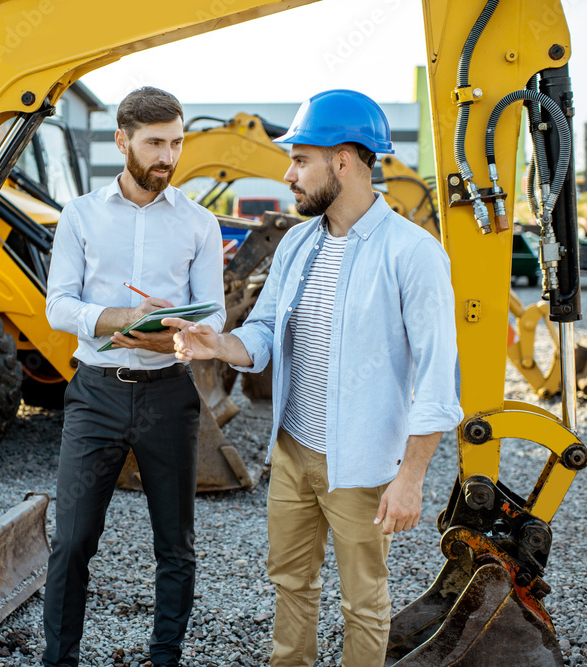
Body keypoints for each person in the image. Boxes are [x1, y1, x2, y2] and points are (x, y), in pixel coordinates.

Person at [162, 89, 463, 667]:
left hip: (361, 465)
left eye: (301, 160)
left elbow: (437, 381)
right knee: (291, 584)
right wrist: (219, 344)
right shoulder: (299, 242)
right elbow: (267, 330)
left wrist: (412, 478)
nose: (289, 174)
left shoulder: (412, 253)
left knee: (363, 602)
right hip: (292, 452)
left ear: (343, 161)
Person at [43, 86, 226, 667]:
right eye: (154, 143)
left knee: (175, 544)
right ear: (122, 141)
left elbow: (216, 314)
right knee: (71, 541)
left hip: (170, 393)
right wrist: (115, 317)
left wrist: (174, 336)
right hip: (95, 391)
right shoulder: (80, 215)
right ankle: (59, 660)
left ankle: (164, 657)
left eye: (175, 142)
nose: (166, 156)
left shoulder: (199, 224)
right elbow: (58, 306)